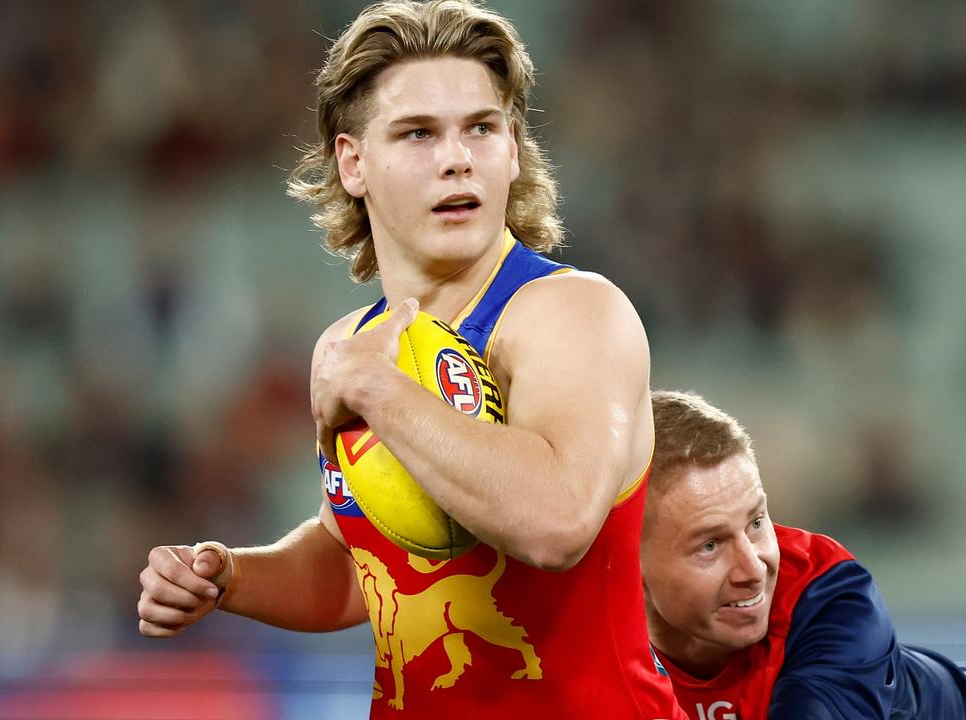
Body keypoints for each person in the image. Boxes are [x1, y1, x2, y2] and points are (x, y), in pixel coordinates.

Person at [136, 1, 684, 718]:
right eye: (418, 133)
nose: (456, 157)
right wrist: (228, 576)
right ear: (353, 162)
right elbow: (361, 570)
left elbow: (558, 523)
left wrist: (382, 392)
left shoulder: (574, 314)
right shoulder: (343, 348)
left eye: (481, 128)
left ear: (513, 149)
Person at [640, 390, 966, 720]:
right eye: (710, 545)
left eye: (757, 523)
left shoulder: (829, 599)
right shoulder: (587, 625)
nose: (754, 568)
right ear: (628, 562)